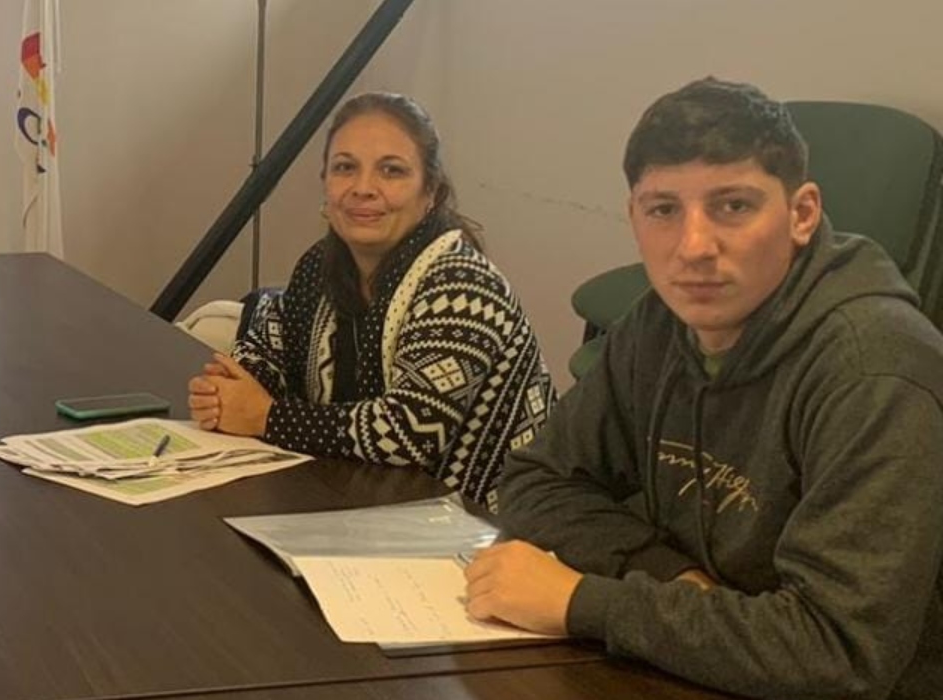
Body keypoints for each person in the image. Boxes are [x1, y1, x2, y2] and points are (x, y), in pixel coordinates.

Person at [471, 78, 943, 699]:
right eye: (664, 210)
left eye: (733, 206)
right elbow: (537, 479)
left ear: (802, 214)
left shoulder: (875, 370)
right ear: (634, 216)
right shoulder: (661, 322)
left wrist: (584, 602)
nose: (693, 247)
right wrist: (669, 575)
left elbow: (839, 653)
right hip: (702, 663)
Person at [188, 92, 555, 508]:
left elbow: (409, 433)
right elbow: (267, 346)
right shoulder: (320, 264)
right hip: (369, 502)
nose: (363, 189)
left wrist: (265, 416)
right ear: (325, 182)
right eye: (345, 168)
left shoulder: (462, 285)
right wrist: (229, 392)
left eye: (391, 171)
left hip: (490, 523)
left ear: (430, 192)